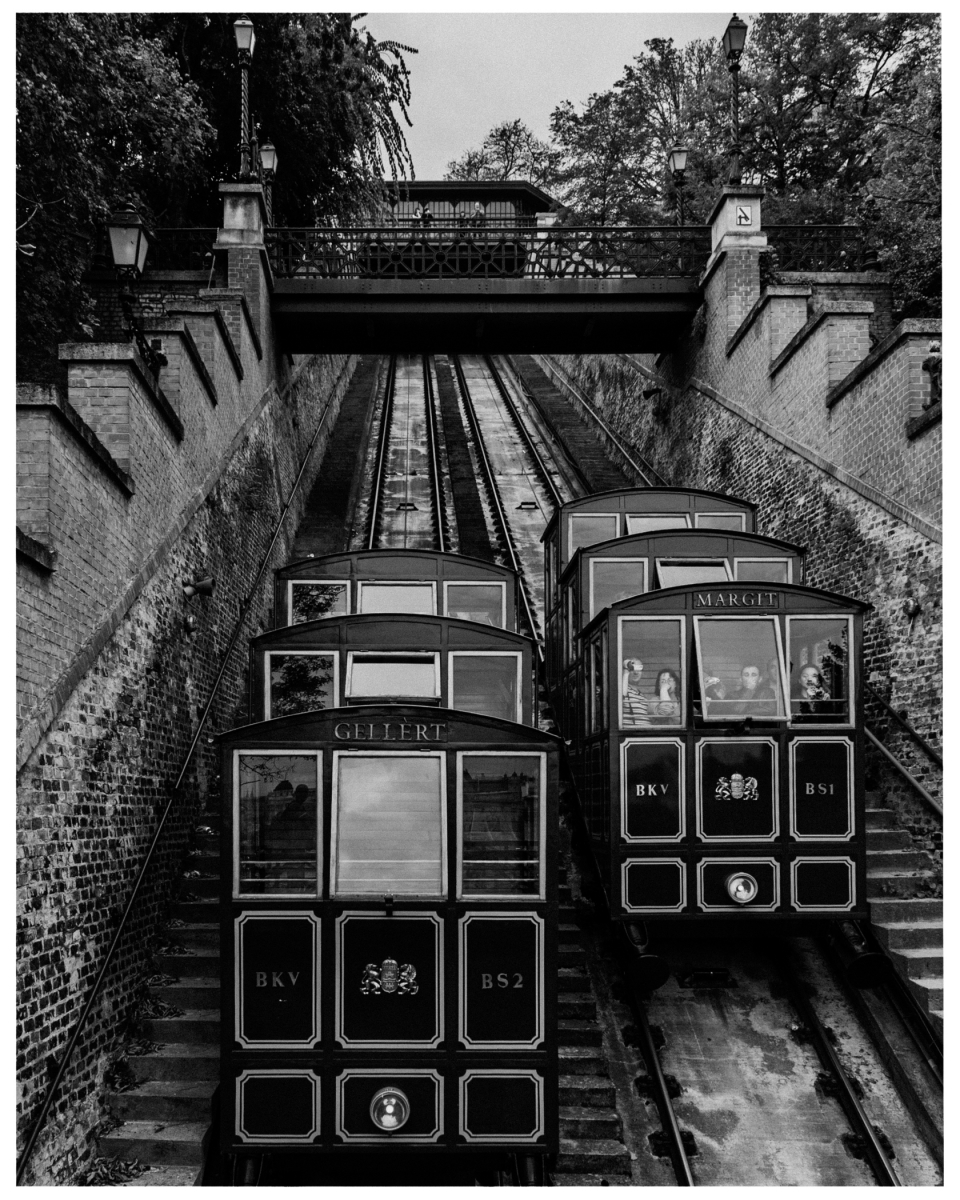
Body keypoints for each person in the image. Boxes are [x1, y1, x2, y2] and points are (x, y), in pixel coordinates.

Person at [621, 658, 651, 726]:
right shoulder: (623, 690)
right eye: (632, 669)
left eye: (639, 669)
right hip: (632, 734)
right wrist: (626, 672)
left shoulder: (642, 695)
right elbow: (620, 698)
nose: (636, 672)